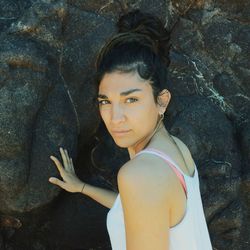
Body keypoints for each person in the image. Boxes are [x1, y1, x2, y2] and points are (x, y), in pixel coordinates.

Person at [49, 9, 213, 250]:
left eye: (131, 100)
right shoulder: (176, 150)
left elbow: (142, 191)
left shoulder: (140, 173)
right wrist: (81, 187)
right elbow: (141, 207)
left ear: (162, 101)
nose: (115, 118)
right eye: (105, 101)